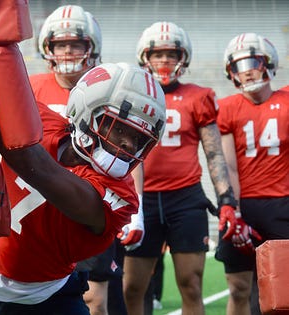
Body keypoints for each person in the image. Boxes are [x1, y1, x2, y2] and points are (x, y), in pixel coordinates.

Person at [0, 62, 167, 315]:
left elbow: (37, 169)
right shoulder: (43, 123)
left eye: (139, 139)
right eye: (119, 128)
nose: (128, 145)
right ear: (87, 112)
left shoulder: (122, 198)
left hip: (45, 298)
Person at [31, 6, 143, 315]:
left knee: (94, 298)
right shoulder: (30, 88)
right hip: (36, 206)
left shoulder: (109, 89)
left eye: (75, 43)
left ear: (90, 46)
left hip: (89, 202)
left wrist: (138, 211)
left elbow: (129, 152)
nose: (67, 51)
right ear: (47, 48)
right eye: (60, 44)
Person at [122, 21, 236, 315]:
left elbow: (213, 154)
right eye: (157, 54)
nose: (164, 60)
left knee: (191, 283)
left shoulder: (198, 97)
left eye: (170, 54)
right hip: (142, 199)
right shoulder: (133, 93)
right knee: (132, 287)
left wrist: (226, 198)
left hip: (185, 199)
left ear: (182, 58)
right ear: (145, 56)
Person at [215, 32, 289, 315]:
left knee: (282, 292)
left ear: (267, 63)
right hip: (244, 204)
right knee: (239, 288)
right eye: (239, 67)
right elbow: (228, 165)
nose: (246, 73)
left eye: (252, 64)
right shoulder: (228, 107)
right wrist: (232, 208)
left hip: (282, 203)